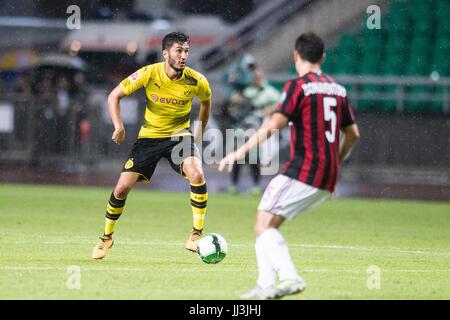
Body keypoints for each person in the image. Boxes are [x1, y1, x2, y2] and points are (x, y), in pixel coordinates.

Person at [219, 32, 360, 299]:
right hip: (327, 172)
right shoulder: (338, 89)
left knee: (262, 224)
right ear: (323, 57)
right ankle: (265, 286)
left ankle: (289, 277)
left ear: (296, 55)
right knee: (265, 224)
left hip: (304, 168)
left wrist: (237, 153)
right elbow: (353, 134)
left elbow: (272, 125)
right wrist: (336, 166)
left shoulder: (298, 86)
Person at [92, 32, 212, 259]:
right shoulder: (149, 73)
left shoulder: (197, 80)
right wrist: (119, 126)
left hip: (180, 136)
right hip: (149, 137)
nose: (184, 55)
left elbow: (206, 103)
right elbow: (113, 96)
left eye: (186, 51)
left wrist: (198, 132)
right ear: (165, 53)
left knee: (196, 173)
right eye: (179, 50)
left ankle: (196, 234)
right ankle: (106, 238)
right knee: (121, 188)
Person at [227, 68, 281, 195]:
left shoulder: (269, 92)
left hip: (257, 126)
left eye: (258, 77)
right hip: (241, 126)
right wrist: (234, 106)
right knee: (237, 156)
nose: (255, 79)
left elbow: (281, 104)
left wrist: (271, 110)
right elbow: (232, 104)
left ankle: (256, 185)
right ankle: (234, 185)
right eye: (254, 77)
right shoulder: (245, 90)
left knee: (254, 157)